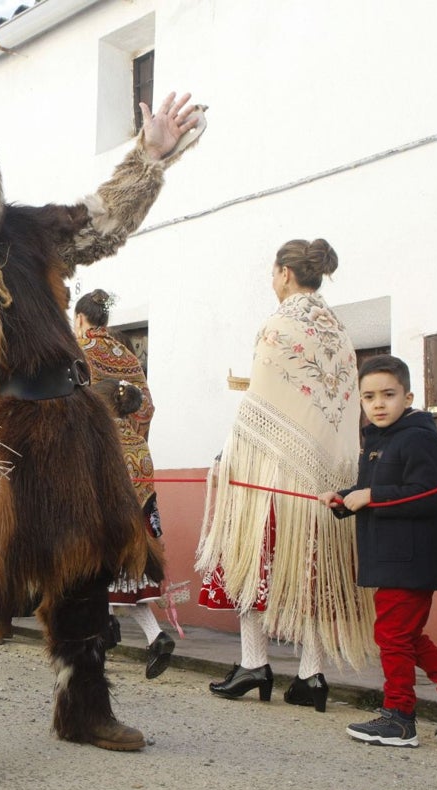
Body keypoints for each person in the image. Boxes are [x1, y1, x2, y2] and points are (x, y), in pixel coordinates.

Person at [195, 238, 374, 712]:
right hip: (328, 477)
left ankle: (254, 662)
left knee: (252, 557)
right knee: (309, 570)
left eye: (272, 272)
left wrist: (228, 457)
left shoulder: (280, 323)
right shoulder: (338, 331)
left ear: (285, 273)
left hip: (273, 471)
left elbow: (260, 405)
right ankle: (312, 677)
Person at [320, 355, 437, 747]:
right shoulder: (377, 439)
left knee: (393, 635)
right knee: (403, 634)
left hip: (411, 557)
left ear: (408, 396)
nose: (378, 404)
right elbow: (377, 491)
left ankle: (399, 717)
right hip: (390, 555)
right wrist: (344, 499)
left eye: (388, 395)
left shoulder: (418, 436)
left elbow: (428, 496)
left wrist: (370, 495)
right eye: (368, 397)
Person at [91, 378, 177, 678]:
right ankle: (155, 638)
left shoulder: (102, 440)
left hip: (112, 524)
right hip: (140, 524)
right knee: (126, 591)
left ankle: (100, 643)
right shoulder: (139, 442)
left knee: (98, 585)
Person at [76, 290, 155, 439]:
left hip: (87, 447)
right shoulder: (129, 357)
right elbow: (146, 408)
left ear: (79, 319)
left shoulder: (74, 352)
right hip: (126, 451)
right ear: (105, 321)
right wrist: (129, 438)